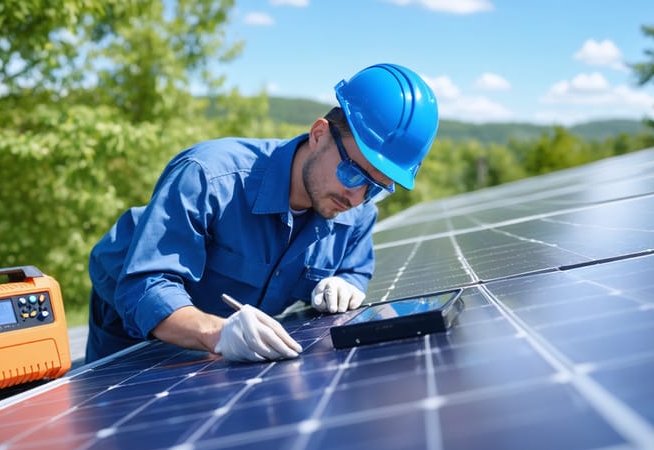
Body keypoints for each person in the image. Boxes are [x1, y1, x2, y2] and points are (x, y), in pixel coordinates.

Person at [86, 63, 439, 363]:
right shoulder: (209, 178)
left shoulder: (357, 212)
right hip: (134, 334)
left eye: (376, 186)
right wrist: (217, 333)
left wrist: (347, 284)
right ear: (319, 135)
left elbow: (354, 268)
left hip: (232, 343)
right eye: (352, 173)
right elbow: (145, 286)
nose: (356, 196)